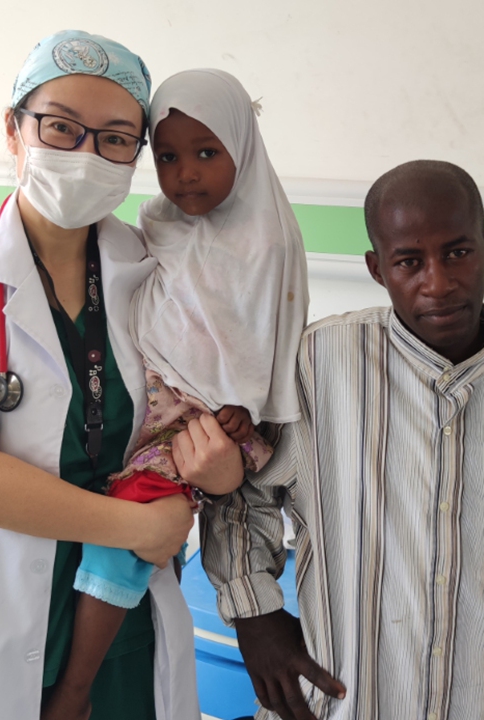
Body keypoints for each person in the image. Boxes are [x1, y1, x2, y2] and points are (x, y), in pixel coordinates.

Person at [0, 31, 243, 720]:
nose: (86, 154)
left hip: (121, 619)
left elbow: (191, 421)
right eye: (62, 127)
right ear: (14, 130)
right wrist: (138, 526)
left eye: (116, 139)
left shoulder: (153, 269)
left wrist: (218, 471)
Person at [201, 160, 484, 719]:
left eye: (458, 252)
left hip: (470, 702)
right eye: (409, 262)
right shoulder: (315, 365)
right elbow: (243, 496)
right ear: (377, 268)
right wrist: (257, 618)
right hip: (337, 699)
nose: (438, 283)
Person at [44, 68, 309, 719]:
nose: (185, 173)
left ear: (242, 149)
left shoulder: (265, 240)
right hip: (147, 402)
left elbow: (263, 338)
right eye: (166, 157)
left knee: (127, 533)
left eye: (207, 153)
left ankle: (74, 687)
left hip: (206, 423)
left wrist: (240, 406)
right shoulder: (153, 224)